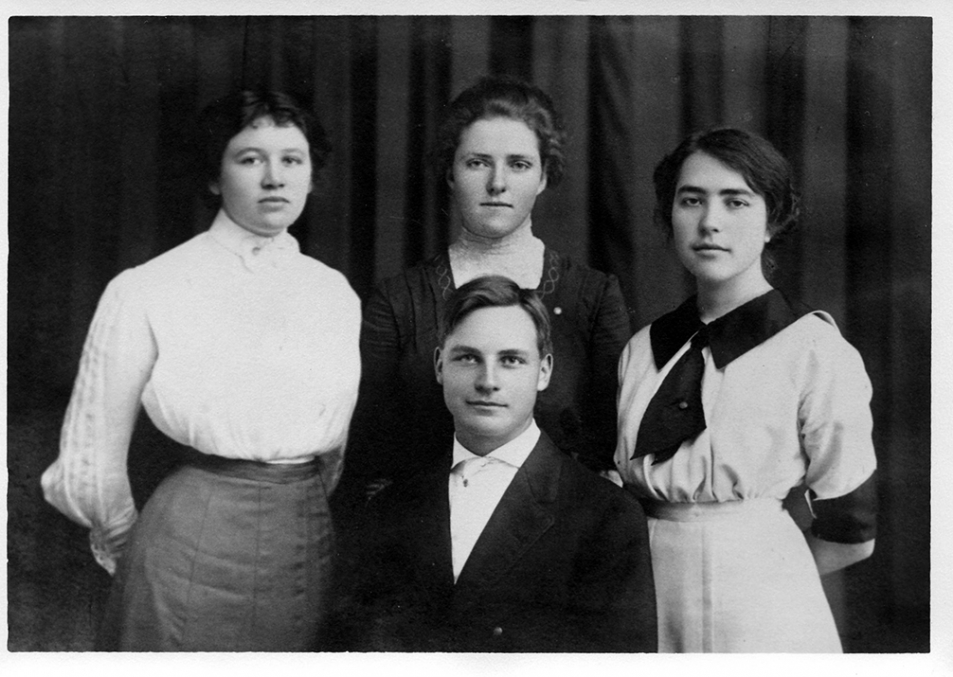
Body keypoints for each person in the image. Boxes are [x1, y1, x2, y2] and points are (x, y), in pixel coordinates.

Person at [40, 90, 361, 651]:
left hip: (305, 545)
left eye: (292, 159)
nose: (274, 178)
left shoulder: (334, 292)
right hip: (189, 545)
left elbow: (333, 450)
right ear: (214, 176)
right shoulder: (147, 287)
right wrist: (132, 549)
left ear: (312, 176)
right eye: (249, 158)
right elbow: (91, 459)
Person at [614, 128, 877, 652]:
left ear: (772, 220)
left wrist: (761, 576)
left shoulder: (813, 350)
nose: (710, 222)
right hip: (646, 605)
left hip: (766, 610)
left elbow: (852, 532)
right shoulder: (644, 349)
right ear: (670, 215)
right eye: (691, 200)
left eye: (736, 201)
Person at [340, 75, 631, 508]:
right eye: (477, 162)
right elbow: (369, 456)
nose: (497, 183)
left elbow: (612, 453)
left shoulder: (593, 297)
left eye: (518, 164)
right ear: (451, 173)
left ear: (545, 177)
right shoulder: (399, 301)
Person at [339, 275, 656, 652]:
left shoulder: (606, 516)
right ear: (440, 365)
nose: (488, 381)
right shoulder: (390, 509)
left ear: (543, 371)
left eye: (511, 360)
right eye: (469, 357)